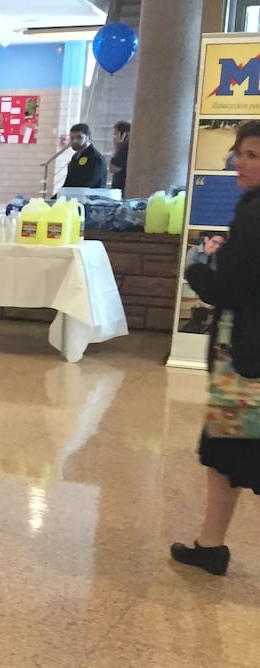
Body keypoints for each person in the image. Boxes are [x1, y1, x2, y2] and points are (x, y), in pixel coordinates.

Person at [173, 120, 260, 576]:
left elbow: (229, 289)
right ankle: (210, 545)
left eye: (253, 156)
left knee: (229, 448)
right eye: (240, 153)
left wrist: (198, 271)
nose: (240, 163)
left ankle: (211, 545)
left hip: (247, 363)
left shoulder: (254, 213)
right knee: (224, 453)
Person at [62, 123, 107, 189]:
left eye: (79, 137)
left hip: (90, 197)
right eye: (72, 138)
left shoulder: (96, 158)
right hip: (74, 195)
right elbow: (68, 183)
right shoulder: (75, 157)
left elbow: (89, 185)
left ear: (88, 137)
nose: (74, 141)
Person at [109, 120, 131, 190]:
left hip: (122, 189)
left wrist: (117, 148)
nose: (114, 138)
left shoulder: (125, 148)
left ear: (125, 134)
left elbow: (113, 168)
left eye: (115, 134)